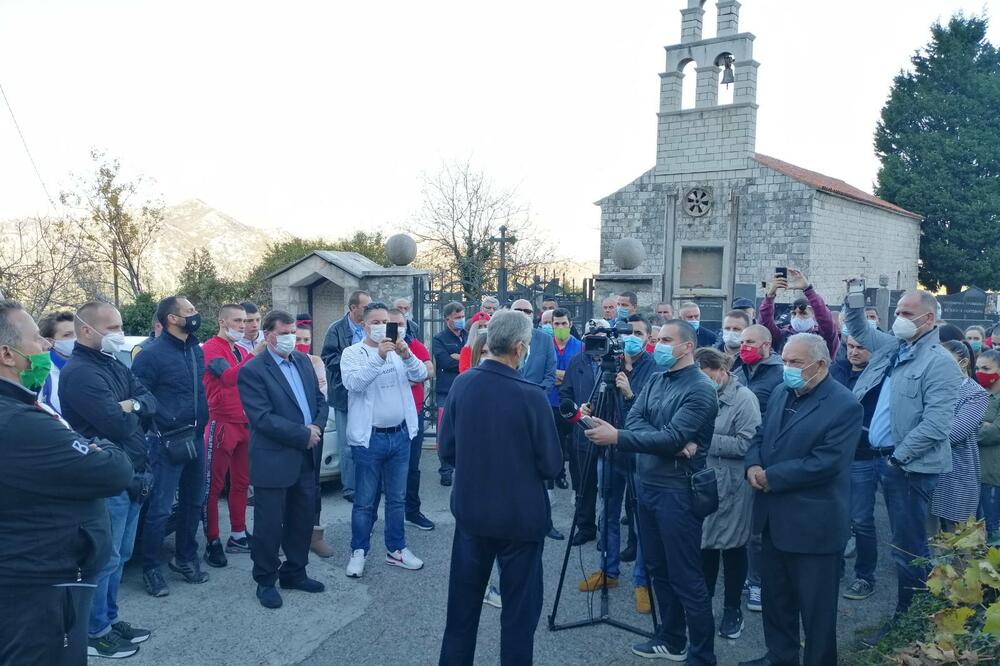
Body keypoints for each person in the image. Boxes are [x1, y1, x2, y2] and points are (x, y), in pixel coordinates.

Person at [0, 300, 134, 665]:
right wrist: (104, 444)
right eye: (35, 339)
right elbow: (114, 471)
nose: (44, 346)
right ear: (7, 354)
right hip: (38, 591)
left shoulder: (19, 410)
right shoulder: (18, 421)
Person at [585, 319, 719, 664]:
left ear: (687, 346)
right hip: (648, 486)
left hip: (678, 491)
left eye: (666, 339)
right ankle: (672, 638)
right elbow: (637, 421)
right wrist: (663, 440)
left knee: (686, 576)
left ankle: (703, 655)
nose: (658, 344)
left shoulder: (701, 388)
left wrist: (627, 438)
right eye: (657, 338)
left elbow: (670, 437)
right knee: (658, 569)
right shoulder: (658, 379)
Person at [438, 309, 563, 665]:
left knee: (461, 615)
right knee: (518, 620)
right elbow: (551, 464)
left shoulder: (463, 383)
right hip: (520, 521)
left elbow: (447, 450)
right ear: (521, 347)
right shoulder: (532, 395)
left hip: (473, 514)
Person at [844, 288, 963, 639]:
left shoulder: (939, 362)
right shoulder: (895, 348)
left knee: (908, 548)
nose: (899, 319)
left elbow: (936, 424)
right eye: (898, 312)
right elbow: (859, 329)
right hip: (875, 454)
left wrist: (898, 458)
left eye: (907, 314)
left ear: (929, 320)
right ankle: (911, 619)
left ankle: (909, 623)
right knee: (889, 536)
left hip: (908, 466)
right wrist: (853, 295)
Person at [739, 333, 862, 666]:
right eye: (785, 361)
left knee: (817, 612)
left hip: (813, 528)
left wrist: (771, 477)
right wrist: (753, 463)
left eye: (796, 363)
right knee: (776, 602)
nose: (787, 369)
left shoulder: (845, 405)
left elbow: (827, 462)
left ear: (820, 365)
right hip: (772, 520)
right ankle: (780, 657)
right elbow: (761, 434)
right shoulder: (782, 391)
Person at [60, 302, 156, 657]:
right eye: (112, 327)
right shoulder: (81, 373)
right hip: (107, 478)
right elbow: (115, 424)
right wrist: (134, 409)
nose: (118, 333)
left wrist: (131, 405)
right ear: (87, 330)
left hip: (132, 472)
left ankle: (109, 619)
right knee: (105, 558)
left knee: (121, 554)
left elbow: (149, 400)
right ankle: (94, 631)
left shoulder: (113, 363)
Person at [237, 310, 329, 609]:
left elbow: (319, 400)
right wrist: (303, 434)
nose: (291, 337)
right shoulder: (253, 370)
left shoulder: (303, 361)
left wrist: (315, 426)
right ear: (269, 334)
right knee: (269, 525)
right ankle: (265, 580)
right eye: (285, 332)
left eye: (294, 331)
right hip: (273, 459)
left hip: (306, 456)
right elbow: (261, 418)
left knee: (302, 519)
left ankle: (295, 572)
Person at [342, 302, 428, 578]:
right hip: (369, 440)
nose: (381, 327)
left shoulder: (398, 353)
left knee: (397, 499)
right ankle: (358, 551)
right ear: (364, 325)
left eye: (386, 322)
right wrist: (378, 356)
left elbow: (420, 375)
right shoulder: (353, 353)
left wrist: (406, 355)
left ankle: (397, 549)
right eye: (376, 322)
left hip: (400, 436)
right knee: (365, 501)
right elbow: (355, 384)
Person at [132, 296, 211, 597]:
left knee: (194, 501)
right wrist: (162, 423)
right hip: (166, 441)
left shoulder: (194, 350)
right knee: (161, 508)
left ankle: (185, 557)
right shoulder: (150, 355)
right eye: (189, 311)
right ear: (172, 319)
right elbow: (140, 396)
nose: (195, 315)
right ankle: (151, 567)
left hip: (195, 436)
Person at [579, 314, 657, 612]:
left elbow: (655, 415)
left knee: (640, 519)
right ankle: (608, 571)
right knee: (607, 513)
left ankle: (642, 581)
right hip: (610, 453)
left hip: (638, 453)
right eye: (628, 333)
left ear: (648, 338)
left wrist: (629, 393)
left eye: (638, 333)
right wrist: (590, 407)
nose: (631, 338)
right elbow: (598, 405)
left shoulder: (655, 370)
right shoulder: (609, 365)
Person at [694, 347, 761, 641]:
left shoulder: (743, 399)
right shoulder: (696, 393)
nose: (705, 382)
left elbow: (749, 443)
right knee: (705, 545)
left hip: (733, 483)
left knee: (732, 547)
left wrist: (703, 439)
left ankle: (733, 609)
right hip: (703, 480)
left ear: (722, 371)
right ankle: (702, 606)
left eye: (709, 376)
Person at [830, 335, 888, 601]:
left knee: (862, 519)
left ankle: (865, 576)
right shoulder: (837, 370)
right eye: (850, 346)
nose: (853, 352)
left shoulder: (882, 377)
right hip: (834, 453)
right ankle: (834, 568)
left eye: (860, 347)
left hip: (864, 454)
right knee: (835, 515)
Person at [731, 323, 784, 611]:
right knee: (740, 523)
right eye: (742, 342)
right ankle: (744, 575)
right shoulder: (739, 371)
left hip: (763, 457)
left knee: (758, 530)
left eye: (750, 341)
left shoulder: (779, 375)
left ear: (767, 345)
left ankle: (758, 582)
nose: (744, 347)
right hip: (736, 455)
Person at [201, 304, 257, 569]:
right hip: (221, 423)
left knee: (241, 483)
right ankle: (212, 540)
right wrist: (253, 356)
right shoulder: (211, 348)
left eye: (244, 321)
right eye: (237, 320)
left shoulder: (238, 350)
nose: (242, 325)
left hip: (243, 423)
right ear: (222, 322)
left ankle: (238, 533)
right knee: (213, 485)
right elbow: (227, 378)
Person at [929, 340, 989, 531]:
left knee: (958, 535)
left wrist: (923, 433)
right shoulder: (932, 387)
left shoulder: (975, 393)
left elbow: (955, 433)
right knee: (928, 534)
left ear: (963, 363)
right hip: (928, 468)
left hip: (957, 469)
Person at [559, 318, 608, 546]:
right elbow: (565, 394)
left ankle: (609, 531)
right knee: (584, 485)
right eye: (592, 336)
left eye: (601, 336)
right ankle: (585, 526)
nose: (596, 340)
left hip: (611, 432)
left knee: (610, 488)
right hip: (583, 433)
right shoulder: (576, 361)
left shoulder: (617, 362)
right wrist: (577, 410)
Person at [320, 289, 371, 501]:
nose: (369, 310)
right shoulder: (336, 329)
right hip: (344, 395)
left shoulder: (372, 328)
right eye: (365, 307)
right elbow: (328, 358)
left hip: (369, 394)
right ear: (353, 308)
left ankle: (372, 483)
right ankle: (350, 488)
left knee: (371, 440)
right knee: (348, 444)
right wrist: (351, 365)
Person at [390, 308, 435, 531]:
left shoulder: (414, 346)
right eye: (393, 324)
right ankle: (372, 517)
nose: (399, 328)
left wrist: (409, 368)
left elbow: (429, 370)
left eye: (402, 324)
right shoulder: (374, 350)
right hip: (387, 418)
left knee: (412, 466)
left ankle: (412, 511)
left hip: (412, 414)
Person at [295, 315, 335, 556]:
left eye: (306, 339)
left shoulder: (314, 361)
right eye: (298, 338)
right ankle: (286, 535)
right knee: (287, 486)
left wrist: (317, 427)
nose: (302, 343)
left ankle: (314, 535)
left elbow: (322, 396)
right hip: (291, 434)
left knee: (313, 484)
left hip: (314, 432)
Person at [760, 269, 839, 358]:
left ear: (813, 315)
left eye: (803, 313)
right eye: (794, 314)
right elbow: (765, 323)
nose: (797, 317)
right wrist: (770, 296)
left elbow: (826, 321)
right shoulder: (781, 336)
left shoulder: (824, 337)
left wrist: (808, 290)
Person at [433, 301, 468, 486]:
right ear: (448, 319)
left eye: (462, 317)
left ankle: (463, 468)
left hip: (467, 389)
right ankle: (445, 470)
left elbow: (475, 360)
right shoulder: (439, 338)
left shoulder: (469, 336)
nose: (461, 320)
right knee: (445, 431)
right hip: (446, 390)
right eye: (457, 318)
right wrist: (465, 358)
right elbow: (445, 362)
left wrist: (459, 356)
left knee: (464, 429)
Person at [549, 308, 582, 490]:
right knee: (555, 442)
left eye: (563, 323)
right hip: (551, 402)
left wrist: (559, 376)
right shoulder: (547, 346)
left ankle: (577, 482)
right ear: (552, 325)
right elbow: (545, 374)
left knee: (574, 444)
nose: (560, 327)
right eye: (556, 324)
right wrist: (564, 376)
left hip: (572, 402)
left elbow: (578, 375)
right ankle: (558, 475)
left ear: (570, 324)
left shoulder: (580, 347)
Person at [975, 349, 1000, 544]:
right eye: (977, 368)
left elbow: (994, 433)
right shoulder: (976, 394)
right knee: (973, 529)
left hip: (992, 475)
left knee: (992, 529)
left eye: (986, 368)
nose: (980, 372)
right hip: (973, 472)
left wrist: (970, 428)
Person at [511, 299, 557, 393]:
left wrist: (537, 396)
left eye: (527, 311)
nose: (523, 314)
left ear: (533, 315)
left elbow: (550, 376)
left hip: (536, 400)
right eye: (518, 310)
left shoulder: (545, 340)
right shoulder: (502, 338)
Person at [38, 310, 75, 413]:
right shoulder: (42, 374)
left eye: (77, 333)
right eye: (67, 335)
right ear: (50, 341)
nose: (76, 339)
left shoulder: (88, 366)